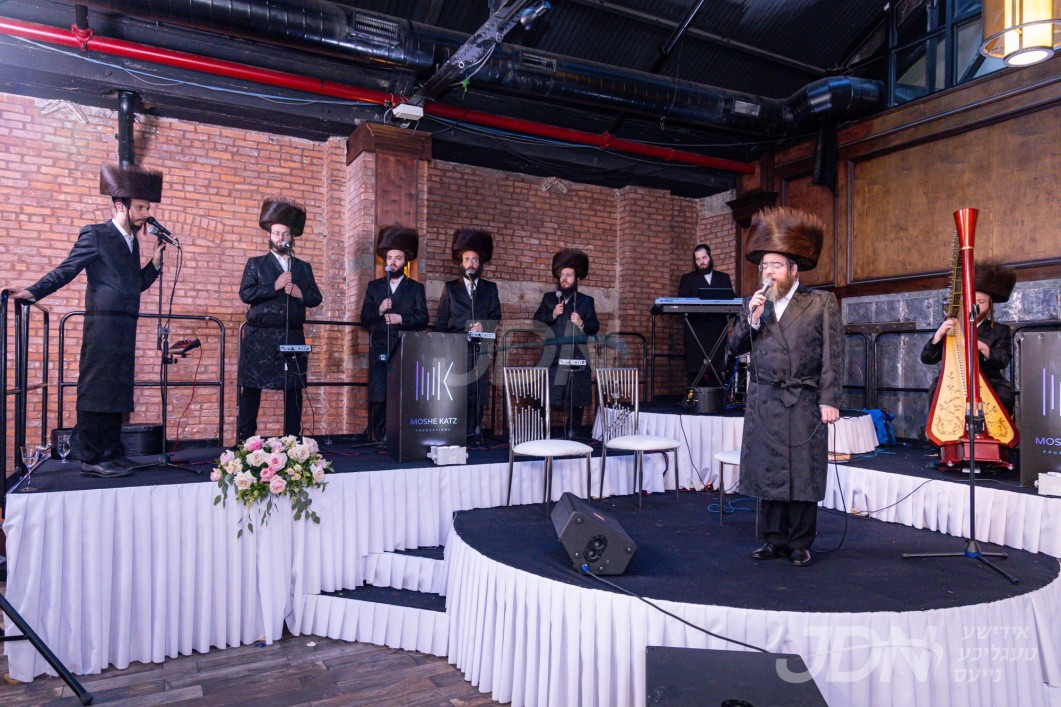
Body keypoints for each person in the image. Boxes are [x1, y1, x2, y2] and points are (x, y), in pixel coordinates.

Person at [6, 164, 166, 478]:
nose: (147, 214)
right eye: (141, 207)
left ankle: (112, 453)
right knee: (97, 386)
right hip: (103, 323)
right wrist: (34, 291)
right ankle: (92, 456)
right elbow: (68, 269)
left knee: (116, 389)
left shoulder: (132, 242)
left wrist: (155, 265)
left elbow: (133, 285)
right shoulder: (96, 233)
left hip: (125, 323)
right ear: (121, 206)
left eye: (148, 208)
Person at [727, 207, 843, 567]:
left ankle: (800, 542)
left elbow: (833, 354)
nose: (768, 272)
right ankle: (774, 539)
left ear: (794, 270)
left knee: (802, 471)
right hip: (764, 400)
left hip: (803, 399)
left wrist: (829, 399)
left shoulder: (820, 302)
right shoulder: (755, 305)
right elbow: (734, 348)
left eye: (776, 265)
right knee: (770, 469)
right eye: (765, 266)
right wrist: (751, 319)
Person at [236, 198, 323, 443]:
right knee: (251, 388)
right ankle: (246, 441)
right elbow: (246, 294)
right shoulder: (256, 263)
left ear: (292, 237)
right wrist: (273, 286)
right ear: (269, 235)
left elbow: (316, 298)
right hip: (259, 337)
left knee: (293, 389)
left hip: (291, 335)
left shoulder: (302, 267)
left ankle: (293, 442)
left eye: (284, 233)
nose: (280, 237)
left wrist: (299, 293)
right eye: (276, 233)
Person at [360, 225, 428, 441]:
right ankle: (378, 436)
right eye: (389, 258)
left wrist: (402, 319)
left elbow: (423, 318)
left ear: (405, 261)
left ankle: (401, 436)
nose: (393, 262)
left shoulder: (415, 288)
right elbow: (364, 318)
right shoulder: (374, 287)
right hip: (380, 346)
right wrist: (379, 310)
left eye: (398, 258)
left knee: (402, 392)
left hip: (404, 347)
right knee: (379, 393)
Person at [921, 260, 1016, 414]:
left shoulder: (1000, 330)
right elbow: (927, 359)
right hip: (953, 380)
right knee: (937, 390)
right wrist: (938, 336)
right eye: (971, 302)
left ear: (990, 305)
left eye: (981, 302)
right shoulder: (951, 326)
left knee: (1003, 396)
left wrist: (983, 348)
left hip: (990, 380)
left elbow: (1003, 361)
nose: (975, 307)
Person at [435, 228, 502, 441]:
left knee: (478, 389)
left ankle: (476, 429)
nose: (471, 263)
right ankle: (457, 431)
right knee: (458, 389)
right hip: (456, 347)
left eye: (474, 259)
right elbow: (442, 320)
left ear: (480, 263)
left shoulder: (490, 288)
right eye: (467, 259)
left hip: (480, 347)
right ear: (461, 263)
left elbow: (496, 315)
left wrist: (485, 325)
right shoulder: (450, 288)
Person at [533, 248, 600, 436]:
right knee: (547, 393)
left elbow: (594, 326)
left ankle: (572, 431)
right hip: (553, 355)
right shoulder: (549, 298)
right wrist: (553, 314)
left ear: (577, 278)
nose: (564, 279)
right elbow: (537, 322)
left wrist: (581, 323)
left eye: (569, 275)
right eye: (562, 275)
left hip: (577, 354)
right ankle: (542, 433)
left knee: (576, 395)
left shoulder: (586, 301)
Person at [678, 244, 734, 387]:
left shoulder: (723, 278)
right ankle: (694, 398)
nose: (701, 262)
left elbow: (732, 300)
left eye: (704, 258)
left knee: (716, 371)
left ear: (710, 257)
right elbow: (681, 304)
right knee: (695, 372)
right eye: (698, 259)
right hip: (695, 332)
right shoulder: (687, 279)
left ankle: (717, 398)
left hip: (717, 332)